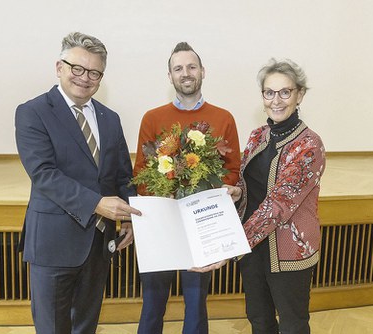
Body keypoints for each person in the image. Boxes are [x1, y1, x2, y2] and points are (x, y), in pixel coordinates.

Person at [15, 32, 141, 334]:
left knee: (86, 325)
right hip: (53, 243)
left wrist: (131, 220)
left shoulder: (109, 118)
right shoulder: (33, 112)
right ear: (60, 67)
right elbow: (44, 173)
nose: (85, 78)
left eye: (94, 72)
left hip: (99, 244)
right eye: (77, 69)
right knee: (53, 327)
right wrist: (97, 204)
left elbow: (123, 175)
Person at [133, 42, 241, 334]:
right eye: (178, 68)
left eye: (191, 67)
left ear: (202, 71)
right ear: (169, 76)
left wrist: (214, 193)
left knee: (196, 300)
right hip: (162, 221)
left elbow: (232, 170)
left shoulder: (223, 118)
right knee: (153, 301)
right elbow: (141, 173)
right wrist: (162, 199)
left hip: (202, 221)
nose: (186, 73)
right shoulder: (152, 118)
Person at [224, 58, 326, 333]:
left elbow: (280, 203)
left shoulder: (310, 144)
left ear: (299, 94)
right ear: (263, 96)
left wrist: (234, 244)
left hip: (288, 249)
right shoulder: (258, 135)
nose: (276, 100)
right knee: (259, 319)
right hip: (254, 249)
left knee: (293, 324)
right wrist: (236, 191)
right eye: (269, 92)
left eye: (285, 92)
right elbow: (251, 184)